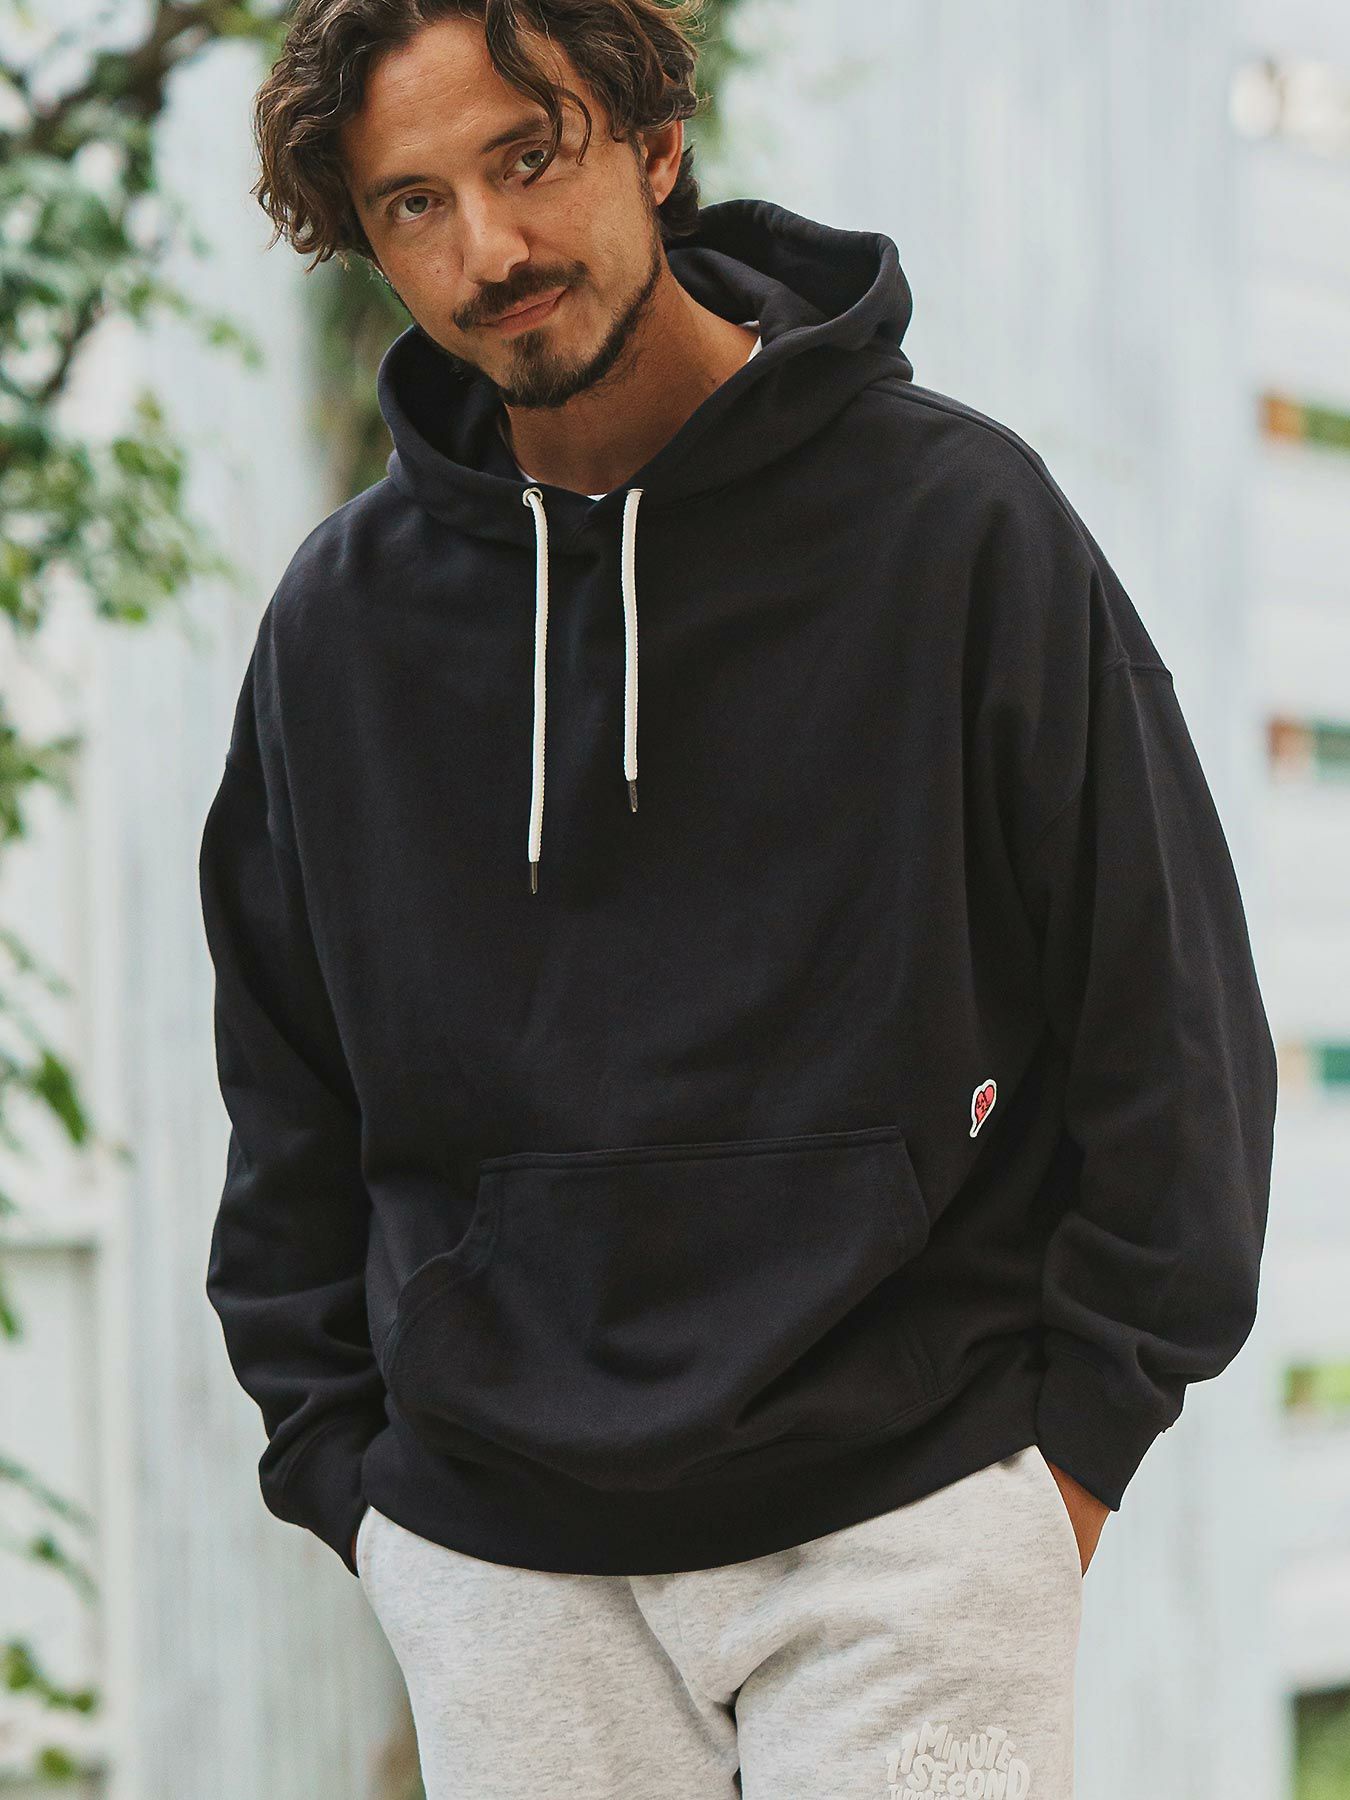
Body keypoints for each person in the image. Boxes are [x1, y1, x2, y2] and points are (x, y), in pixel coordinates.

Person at [197, 2, 1278, 1794]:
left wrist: (1063, 1468)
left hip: (913, 1530)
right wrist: (358, 1496)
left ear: (653, 137)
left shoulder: (956, 527)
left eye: (528, 156)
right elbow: (284, 1097)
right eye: (414, 205)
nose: (488, 249)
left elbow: (1166, 1021)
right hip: (503, 1570)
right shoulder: (343, 629)